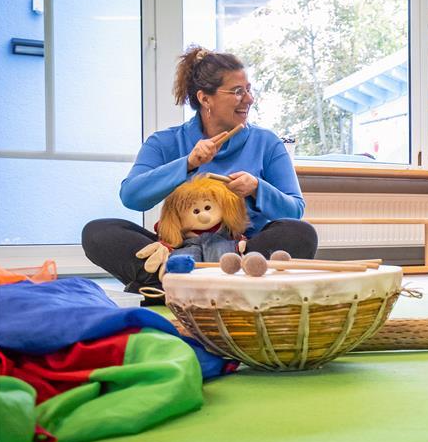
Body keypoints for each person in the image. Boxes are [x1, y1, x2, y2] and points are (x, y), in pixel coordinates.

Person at [82, 46, 316, 296]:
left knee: (301, 235)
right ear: (205, 99)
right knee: (98, 233)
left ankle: (169, 286)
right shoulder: (164, 142)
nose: (249, 99)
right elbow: (131, 196)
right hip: (175, 252)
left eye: (249, 89)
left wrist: (257, 188)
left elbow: (295, 210)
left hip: (240, 252)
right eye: (238, 91)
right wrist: (187, 164)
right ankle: (197, 283)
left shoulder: (267, 142)